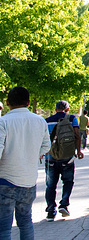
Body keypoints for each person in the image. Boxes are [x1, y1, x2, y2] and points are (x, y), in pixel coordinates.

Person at [0, 87, 50, 240]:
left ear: (8, 102)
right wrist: (33, 154)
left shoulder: (3, 122)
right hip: (29, 181)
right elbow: (46, 146)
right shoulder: (40, 121)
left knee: (4, 228)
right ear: (28, 102)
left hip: (5, 181)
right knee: (26, 222)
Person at [44, 100, 83, 222]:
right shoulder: (72, 119)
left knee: (50, 185)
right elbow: (77, 135)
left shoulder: (47, 120)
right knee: (68, 181)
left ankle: (51, 210)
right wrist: (78, 151)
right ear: (67, 109)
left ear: (56, 109)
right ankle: (64, 204)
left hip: (50, 157)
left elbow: (44, 139)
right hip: (67, 156)